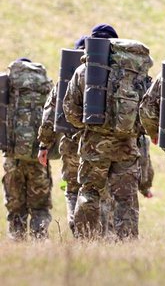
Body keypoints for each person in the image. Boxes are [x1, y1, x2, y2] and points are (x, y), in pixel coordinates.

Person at [63, 24, 152, 239]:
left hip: (94, 145)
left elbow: (69, 109)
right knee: (126, 198)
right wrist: (135, 130)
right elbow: (148, 109)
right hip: (127, 146)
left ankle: (86, 241)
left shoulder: (84, 71)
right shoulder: (136, 71)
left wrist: (87, 126)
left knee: (90, 192)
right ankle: (127, 243)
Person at [38, 36, 86, 236]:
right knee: (99, 189)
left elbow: (50, 114)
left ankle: (77, 227)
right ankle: (100, 233)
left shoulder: (68, 76)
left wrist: (44, 145)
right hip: (106, 143)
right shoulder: (114, 71)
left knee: (73, 188)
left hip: (72, 144)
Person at [1, 58, 53, 240]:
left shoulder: (8, 85)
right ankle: (40, 241)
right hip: (39, 157)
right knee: (40, 206)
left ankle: (17, 241)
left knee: (15, 207)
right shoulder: (43, 85)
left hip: (12, 156)